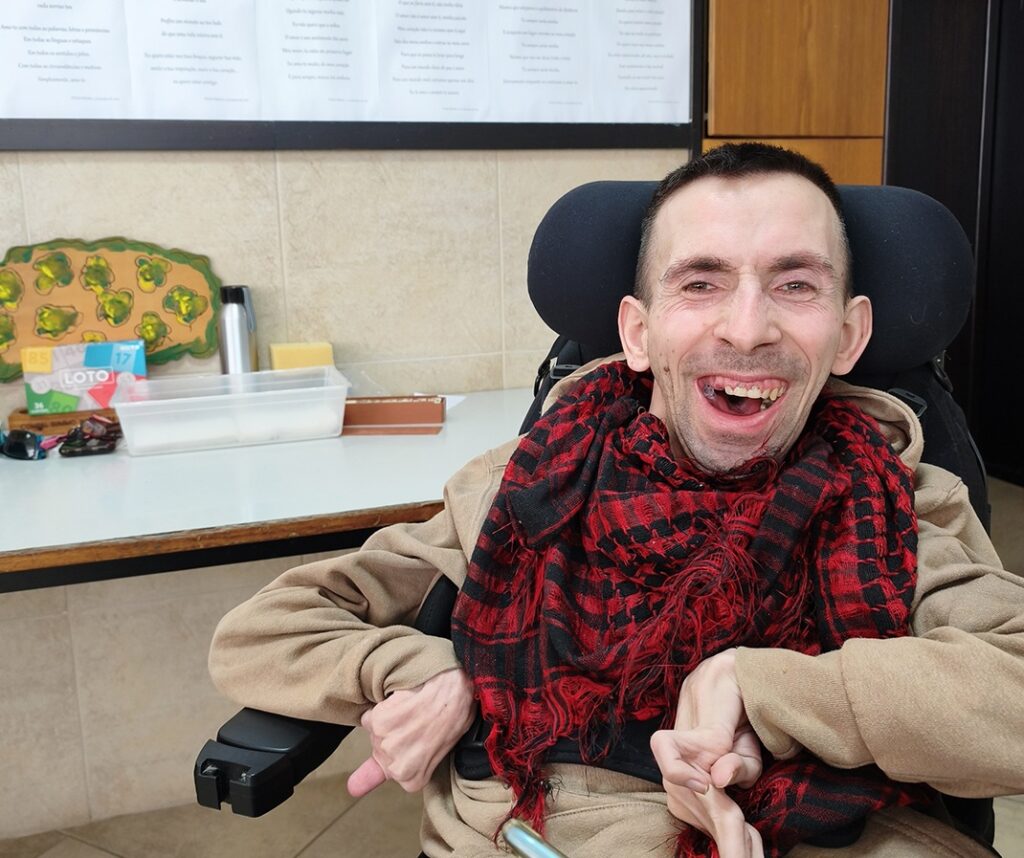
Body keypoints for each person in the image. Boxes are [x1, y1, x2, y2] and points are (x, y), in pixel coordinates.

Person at [208, 144, 1024, 858]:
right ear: (637, 332)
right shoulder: (520, 485)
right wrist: (440, 674)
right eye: (701, 282)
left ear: (849, 336)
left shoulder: (898, 505)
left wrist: (767, 690)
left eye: (795, 284)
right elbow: (262, 632)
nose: (747, 329)